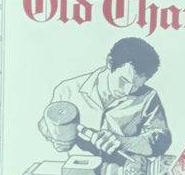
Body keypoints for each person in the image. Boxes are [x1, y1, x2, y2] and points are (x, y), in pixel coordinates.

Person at [39, 38, 171, 160]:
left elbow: (161, 140)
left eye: (136, 86)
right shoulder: (68, 90)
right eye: (123, 81)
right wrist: (57, 138)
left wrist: (124, 143)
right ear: (110, 62)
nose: (128, 91)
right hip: (79, 174)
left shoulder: (149, 97)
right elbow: (45, 125)